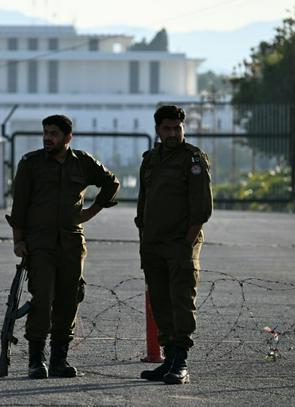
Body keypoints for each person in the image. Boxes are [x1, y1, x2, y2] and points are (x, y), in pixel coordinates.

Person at [9, 114, 120, 379]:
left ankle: (60, 359)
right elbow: (19, 204)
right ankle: (36, 359)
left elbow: (111, 183)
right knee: (42, 298)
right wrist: (18, 240)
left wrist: (92, 211)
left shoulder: (82, 162)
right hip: (40, 243)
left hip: (71, 242)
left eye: (54, 134)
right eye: (45, 133)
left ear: (68, 137)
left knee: (69, 299)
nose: (48, 138)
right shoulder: (31, 163)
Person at [135, 105, 213, 384]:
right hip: (153, 243)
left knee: (181, 301)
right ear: (157, 130)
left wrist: (186, 244)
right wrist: (144, 237)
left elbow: (201, 209)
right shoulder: (150, 159)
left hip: (181, 242)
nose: (172, 134)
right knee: (160, 302)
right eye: (166, 129)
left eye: (177, 128)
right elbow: (143, 202)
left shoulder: (193, 159)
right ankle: (169, 358)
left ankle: (181, 362)